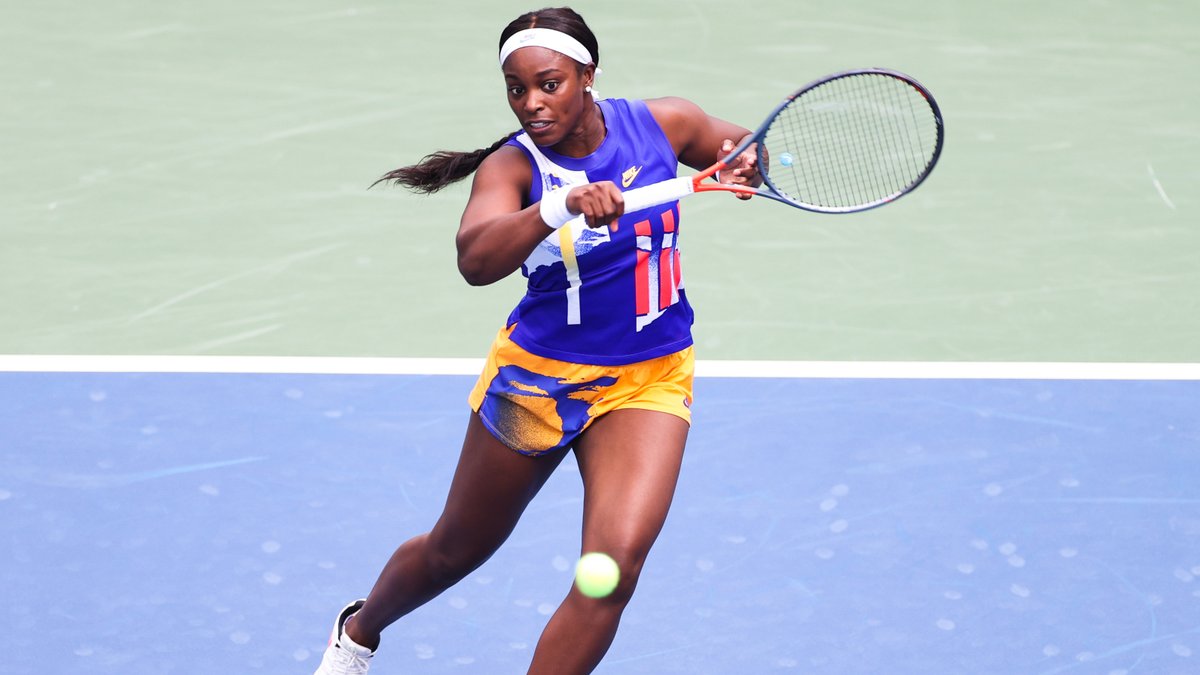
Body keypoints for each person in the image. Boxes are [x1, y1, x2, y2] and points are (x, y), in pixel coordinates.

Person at [314, 7, 760, 674]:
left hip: (650, 377)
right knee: (455, 550)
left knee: (611, 570)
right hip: (537, 383)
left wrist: (746, 161)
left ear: (587, 75)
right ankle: (359, 631)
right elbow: (475, 260)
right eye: (517, 89)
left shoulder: (665, 123)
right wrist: (560, 206)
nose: (532, 103)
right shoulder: (513, 168)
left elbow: (736, 146)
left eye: (549, 84)